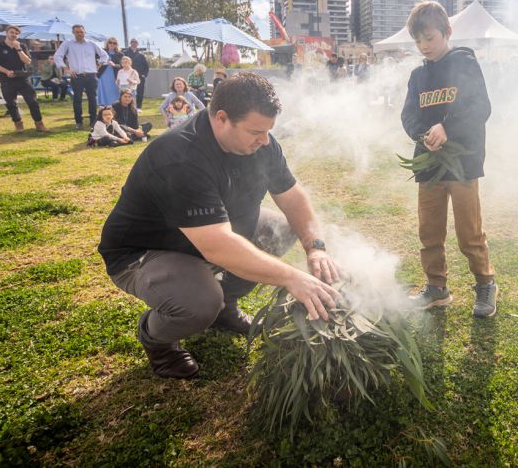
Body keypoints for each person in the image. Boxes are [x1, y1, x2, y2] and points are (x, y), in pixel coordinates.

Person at [97, 74, 341, 378]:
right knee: (200, 301)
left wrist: (315, 248)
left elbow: (292, 196)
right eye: (255, 131)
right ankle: (156, 338)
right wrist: (292, 278)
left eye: (268, 131)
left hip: (212, 232)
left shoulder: (262, 143)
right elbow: (218, 245)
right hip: (145, 253)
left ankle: (225, 310)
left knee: (281, 229)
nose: (264, 140)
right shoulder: (180, 156)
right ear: (222, 119)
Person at [400, 1, 497, 319]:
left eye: (429, 38)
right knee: (429, 231)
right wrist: (421, 135)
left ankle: (485, 284)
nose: (424, 46)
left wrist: (447, 127)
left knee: (469, 232)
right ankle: (437, 288)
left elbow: (480, 107)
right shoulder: (417, 76)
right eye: (418, 41)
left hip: (463, 163)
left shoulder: (464, 64)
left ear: (447, 32)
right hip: (429, 166)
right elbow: (409, 115)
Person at [0, 25, 49, 133]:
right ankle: (18, 123)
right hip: (6, 79)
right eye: (12, 32)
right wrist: (6, 71)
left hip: (22, 78)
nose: (14, 35)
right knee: (11, 103)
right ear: (6, 33)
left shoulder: (22, 46)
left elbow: (27, 61)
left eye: (16, 33)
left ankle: (39, 124)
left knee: (32, 101)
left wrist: (18, 49)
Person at [54, 24, 112, 129]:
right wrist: (66, 69)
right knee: (77, 100)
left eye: (81, 32)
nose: (80, 34)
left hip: (91, 75)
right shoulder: (67, 44)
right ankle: (78, 122)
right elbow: (57, 56)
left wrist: (100, 63)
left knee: (93, 99)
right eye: (77, 32)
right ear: (73, 33)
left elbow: (105, 55)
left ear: (85, 32)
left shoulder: (91, 44)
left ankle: (93, 122)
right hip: (77, 76)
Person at [123, 38, 150, 109]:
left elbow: (146, 67)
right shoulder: (125, 53)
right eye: (132, 42)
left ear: (137, 44)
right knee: (128, 92)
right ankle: (128, 107)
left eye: (135, 42)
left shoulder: (141, 55)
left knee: (140, 92)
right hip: (128, 77)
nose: (134, 43)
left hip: (139, 77)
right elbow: (122, 64)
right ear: (130, 43)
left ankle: (138, 108)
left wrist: (144, 75)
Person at [97, 37, 122, 108]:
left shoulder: (120, 54)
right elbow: (95, 61)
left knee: (114, 89)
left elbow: (123, 65)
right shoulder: (101, 52)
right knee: (104, 89)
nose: (112, 44)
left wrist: (114, 65)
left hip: (115, 75)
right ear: (107, 43)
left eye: (114, 43)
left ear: (116, 45)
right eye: (110, 42)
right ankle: (104, 105)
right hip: (103, 74)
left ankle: (114, 105)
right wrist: (100, 63)